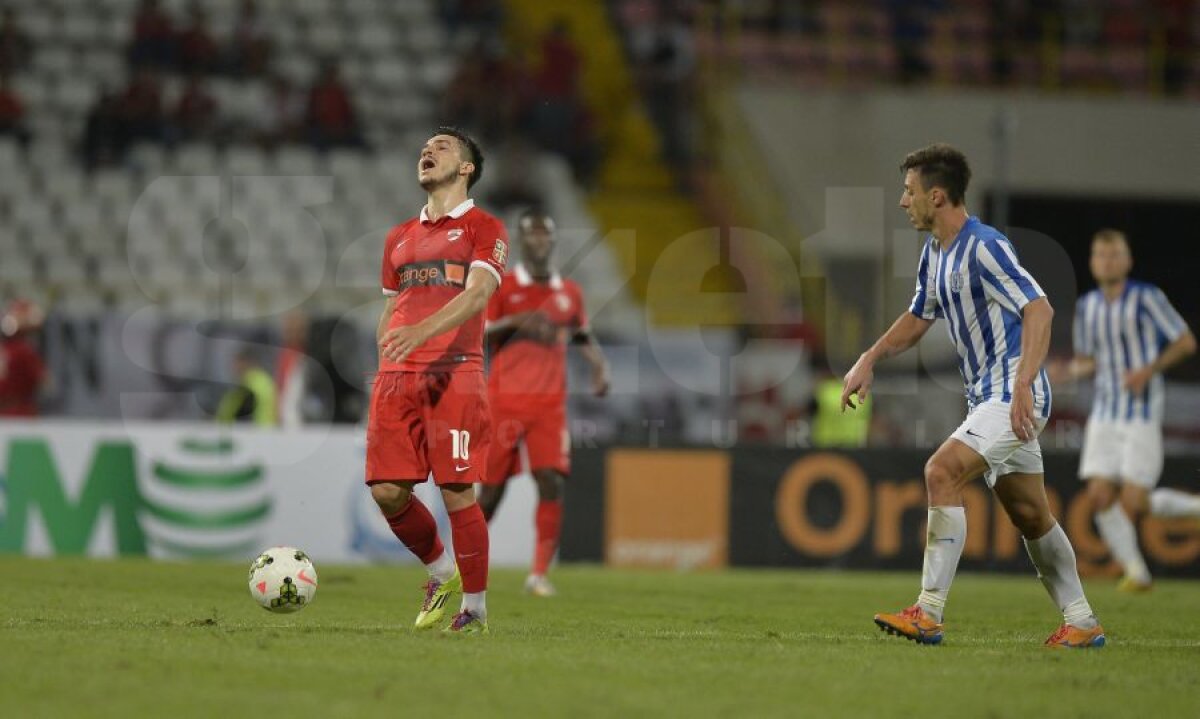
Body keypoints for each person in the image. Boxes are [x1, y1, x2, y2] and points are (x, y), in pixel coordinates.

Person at [841, 143, 1105, 648]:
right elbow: (918, 317)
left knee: (941, 471)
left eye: (910, 191)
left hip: (1013, 393)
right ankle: (1082, 620)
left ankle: (928, 612)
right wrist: (868, 358)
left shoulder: (985, 246)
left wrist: (1024, 382)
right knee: (1030, 514)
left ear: (937, 196)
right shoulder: (934, 254)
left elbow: (1040, 309)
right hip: (989, 396)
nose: (903, 201)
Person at [368, 127, 508, 634]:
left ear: (467, 168)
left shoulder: (484, 227)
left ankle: (475, 609)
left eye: (442, 146)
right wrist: (385, 357)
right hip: (397, 377)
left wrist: (422, 332)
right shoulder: (399, 236)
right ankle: (441, 572)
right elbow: (392, 309)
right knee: (386, 491)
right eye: (424, 146)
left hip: (455, 373)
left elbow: (478, 295)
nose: (428, 150)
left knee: (456, 490)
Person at [478, 209, 610, 597]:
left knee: (550, 481)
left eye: (544, 233)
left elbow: (581, 333)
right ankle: (465, 565)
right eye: (531, 233)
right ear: (520, 240)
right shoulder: (502, 286)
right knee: (491, 492)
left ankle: (538, 575)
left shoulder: (569, 292)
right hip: (504, 401)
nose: (538, 239)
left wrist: (599, 367)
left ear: (552, 240)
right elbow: (481, 331)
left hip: (550, 406)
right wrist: (517, 321)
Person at [1058, 229, 1197, 591]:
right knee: (1099, 495)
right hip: (1104, 412)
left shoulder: (1147, 298)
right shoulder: (1087, 307)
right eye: (1100, 255)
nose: (1107, 262)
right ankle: (1136, 572)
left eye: (1114, 255)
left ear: (1128, 261)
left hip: (1142, 412)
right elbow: (1089, 361)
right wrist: (1065, 371)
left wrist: (1148, 370)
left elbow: (1185, 342)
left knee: (1135, 499)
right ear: (1092, 262)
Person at [0, 299, 46, 417]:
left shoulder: (21, 350)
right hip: (17, 413)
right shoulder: (24, 351)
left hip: (16, 412)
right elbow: (44, 382)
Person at [216, 348, 277, 427]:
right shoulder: (265, 381)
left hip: (251, 431)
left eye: (237, 362)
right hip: (265, 430)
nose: (233, 367)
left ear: (246, 362)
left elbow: (236, 413)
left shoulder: (250, 384)